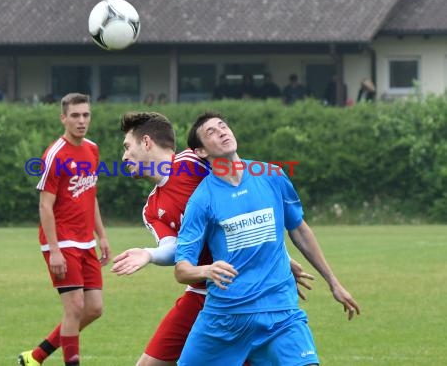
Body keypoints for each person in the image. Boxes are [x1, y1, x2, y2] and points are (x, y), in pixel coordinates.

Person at [111, 112, 314, 366]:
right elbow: (174, 248)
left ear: (147, 143)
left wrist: (280, 256)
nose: (124, 157)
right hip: (200, 291)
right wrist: (148, 254)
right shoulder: (152, 208)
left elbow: (248, 200)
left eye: (127, 147)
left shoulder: (192, 161)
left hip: (243, 294)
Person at [174, 112, 360, 365]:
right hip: (225, 319)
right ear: (201, 152)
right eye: (211, 132)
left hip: (280, 314)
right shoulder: (201, 199)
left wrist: (334, 282)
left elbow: (300, 230)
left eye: (223, 126)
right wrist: (207, 269)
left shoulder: (271, 176)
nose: (222, 132)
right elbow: (181, 270)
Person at [18, 93, 111, 366]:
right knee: (75, 307)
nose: (81, 121)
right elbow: (45, 206)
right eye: (75, 116)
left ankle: (35, 357)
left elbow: (90, 196)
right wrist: (54, 250)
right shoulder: (55, 154)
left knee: (94, 308)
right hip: (61, 243)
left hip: (85, 242)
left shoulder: (92, 149)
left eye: (85, 115)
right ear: (63, 118)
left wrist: (102, 236)